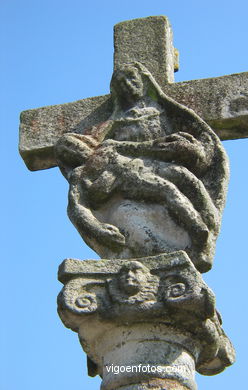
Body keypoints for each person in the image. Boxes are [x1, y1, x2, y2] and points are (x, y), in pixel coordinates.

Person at [55, 62, 229, 272]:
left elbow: (201, 146)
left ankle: (203, 229)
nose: (127, 85)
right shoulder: (85, 168)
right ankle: (196, 230)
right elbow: (76, 206)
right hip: (130, 182)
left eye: (131, 78)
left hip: (148, 168)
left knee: (185, 179)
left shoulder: (160, 113)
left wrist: (187, 150)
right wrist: (97, 228)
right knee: (166, 190)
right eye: (70, 152)